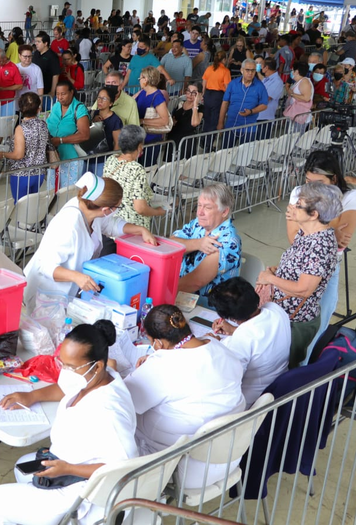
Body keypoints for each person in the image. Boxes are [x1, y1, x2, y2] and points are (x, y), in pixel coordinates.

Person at [0, 320, 138, 525]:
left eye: (70, 366)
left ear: (97, 366)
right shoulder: (96, 377)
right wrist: (32, 396)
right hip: (67, 466)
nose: (64, 371)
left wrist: (68, 469)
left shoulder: (108, 410)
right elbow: (67, 387)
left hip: (81, 492)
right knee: (22, 467)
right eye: (62, 362)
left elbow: (123, 467)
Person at [124, 304, 245, 489]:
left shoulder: (163, 367)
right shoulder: (220, 348)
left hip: (179, 465)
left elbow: (126, 402)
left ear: (159, 344)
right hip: (228, 455)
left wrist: (140, 372)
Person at [23, 172, 157, 309]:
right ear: (106, 209)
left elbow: (110, 225)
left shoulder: (90, 207)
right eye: (118, 207)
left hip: (66, 295)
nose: (117, 211)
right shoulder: (68, 225)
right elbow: (45, 266)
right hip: (46, 296)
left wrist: (140, 230)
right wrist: (77, 277)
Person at [257, 182, 341, 368]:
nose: (294, 207)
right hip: (282, 315)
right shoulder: (306, 234)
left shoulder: (320, 245)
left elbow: (304, 289)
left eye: (299, 205)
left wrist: (270, 279)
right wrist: (278, 270)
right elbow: (300, 265)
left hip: (294, 322)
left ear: (314, 214)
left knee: (282, 369)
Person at [289, 151, 356, 352]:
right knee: (291, 331)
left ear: (334, 179)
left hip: (327, 272)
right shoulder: (298, 192)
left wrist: (305, 221)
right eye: (307, 181)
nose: (311, 188)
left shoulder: (350, 197)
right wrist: (329, 228)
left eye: (319, 182)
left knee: (315, 333)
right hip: (295, 265)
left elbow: (339, 243)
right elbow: (292, 237)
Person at [209, 277, 291, 407]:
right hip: (279, 385)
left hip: (251, 402)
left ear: (231, 318)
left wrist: (211, 345)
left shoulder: (243, 337)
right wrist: (234, 330)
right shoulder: (275, 309)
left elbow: (228, 379)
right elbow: (261, 339)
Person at [170, 184, 241, 297]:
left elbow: (195, 282)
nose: (200, 213)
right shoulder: (197, 224)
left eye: (207, 208)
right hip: (181, 295)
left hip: (208, 305)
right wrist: (198, 243)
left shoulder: (228, 241)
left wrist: (162, 290)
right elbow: (170, 245)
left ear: (224, 212)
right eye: (199, 206)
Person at [102, 125, 165, 230]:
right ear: (140, 146)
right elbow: (140, 208)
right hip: (132, 227)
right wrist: (158, 211)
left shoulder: (111, 160)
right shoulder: (137, 169)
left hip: (112, 223)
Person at [0, 92, 51, 201]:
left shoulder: (21, 128)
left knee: (20, 207)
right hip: (39, 172)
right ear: (38, 108)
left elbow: (18, 154)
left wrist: (2, 154)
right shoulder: (43, 124)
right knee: (31, 206)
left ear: (21, 108)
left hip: (22, 173)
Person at [47, 80, 90, 187]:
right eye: (57, 94)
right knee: (52, 192)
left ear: (71, 92)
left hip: (71, 159)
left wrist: (60, 140)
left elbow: (84, 135)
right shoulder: (56, 106)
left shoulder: (79, 109)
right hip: (54, 157)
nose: (60, 97)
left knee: (68, 193)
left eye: (63, 94)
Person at [218, 59, 268, 147]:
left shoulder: (260, 86)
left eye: (253, 70)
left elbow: (264, 105)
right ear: (242, 70)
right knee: (226, 154)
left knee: (245, 156)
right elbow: (225, 103)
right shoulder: (233, 84)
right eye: (247, 70)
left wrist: (251, 111)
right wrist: (220, 122)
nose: (250, 73)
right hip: (231, 125)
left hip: (249, 128)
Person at [133, 66, 170, 166]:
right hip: (140, 137)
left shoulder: (157, 96)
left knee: (147, 166)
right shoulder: (142, 92)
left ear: (146, 79)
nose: (139, 81)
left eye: (140, 78)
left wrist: (142, 121)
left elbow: (164, 120)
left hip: (151, 138)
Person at [167, 83, 203, 158]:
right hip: (173, 137)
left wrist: (195, 104)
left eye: (194, 93)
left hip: (187, 140)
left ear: (199, 94)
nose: (190, 95)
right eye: (188, 91)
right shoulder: (180, 103)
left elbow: (194, 123)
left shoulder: (201, 108)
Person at [201, 50, 231, 135]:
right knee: (214, 119)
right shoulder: (225, 71)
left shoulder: (209, 68)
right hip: (218, 96)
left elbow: (204, 81)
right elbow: (227, 86)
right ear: (224, 60)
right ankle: (209, 143)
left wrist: (203, 93)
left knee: (207, 118)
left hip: (208, 94)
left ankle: (203, 140)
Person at [0, 48, 22, 120]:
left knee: (6, 124)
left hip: (8, 101)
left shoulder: (13, 67)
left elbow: (19, 85)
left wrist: (4, 88)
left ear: (4, 58)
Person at [283, 61, 314, 134]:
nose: (292, 72)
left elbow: (306, 98)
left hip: (299, 116)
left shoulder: (304, 82)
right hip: (295, 115)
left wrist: (292, 94)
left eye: (292, 70)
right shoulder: (299, 81)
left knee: (295, 138)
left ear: (296, 71)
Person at [32, 32, 61, 108]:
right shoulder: (36, 54)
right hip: (36, 90)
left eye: (39, 42)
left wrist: (52, 91)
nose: (36, 44)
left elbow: (55, 74)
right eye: (36, 41)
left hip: (47, 90)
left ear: (45, 43)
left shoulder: (52, 56)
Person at [93, 85, 123, 157]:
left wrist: (112, 161)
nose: (100, 101)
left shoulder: (115, 120)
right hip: (89, 155)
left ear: (111, 103)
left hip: (104, 158)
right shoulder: (93, 114)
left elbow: (117, 143)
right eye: (99, 97)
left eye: (104, 98)